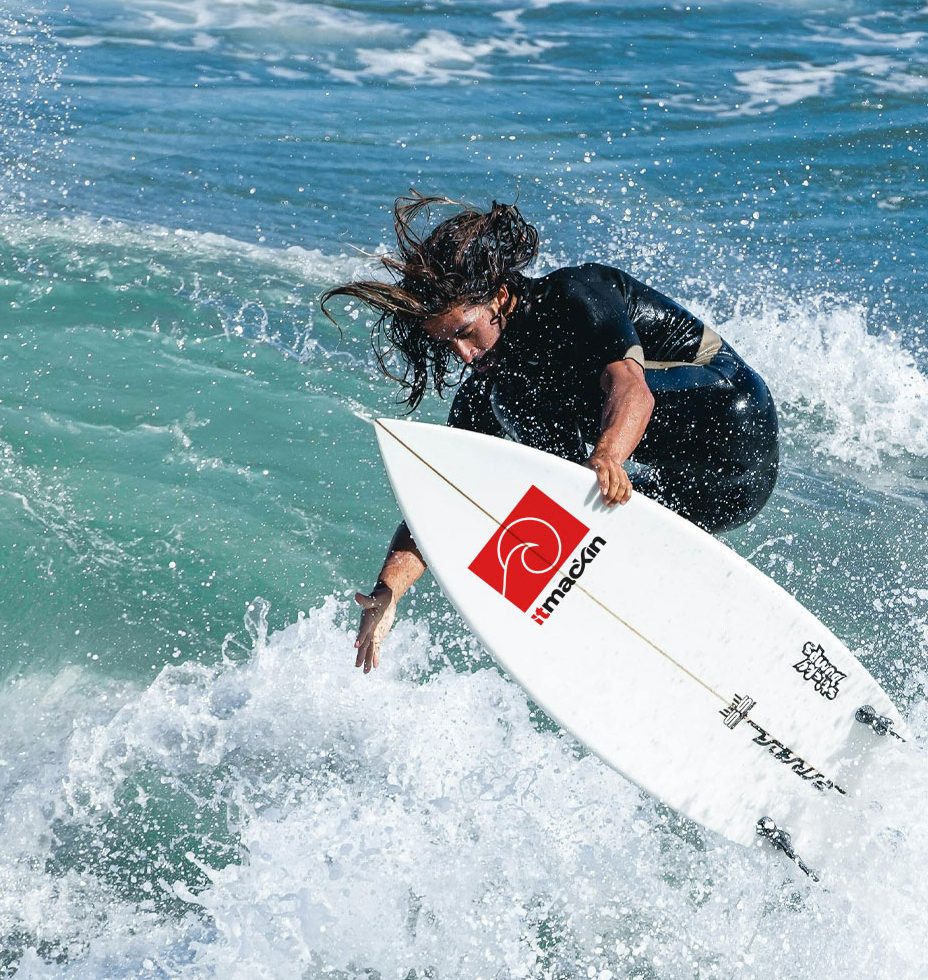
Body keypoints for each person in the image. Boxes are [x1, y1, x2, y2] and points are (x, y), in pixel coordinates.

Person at [323, 195, 781, 671]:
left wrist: (607, 457)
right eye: (448, 341)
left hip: (732, 420)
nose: (463, 354)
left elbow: (632, 390)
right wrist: (388, 590)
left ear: (500, 296)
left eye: (465, 331)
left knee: (524, 408)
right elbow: (448, 493)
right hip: (704, 494)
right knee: (516, 449)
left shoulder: (574, 296)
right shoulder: (492, 386)